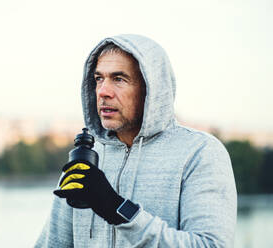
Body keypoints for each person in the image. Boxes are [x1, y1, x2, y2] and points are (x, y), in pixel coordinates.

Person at [35, 34, 237, 247]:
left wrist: (116, 209)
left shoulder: (200, 153)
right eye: (98, 79)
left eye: (119, 79)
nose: (103, 91)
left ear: (151, 88)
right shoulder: (87, 159)